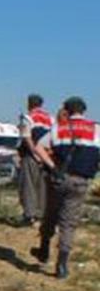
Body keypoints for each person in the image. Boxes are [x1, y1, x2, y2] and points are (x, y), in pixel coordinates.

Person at [31, 97, 100, 279]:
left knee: (50, 214)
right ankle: (61, 265)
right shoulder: (96, 129)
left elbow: (38, 147)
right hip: (81, 181)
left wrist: (52, 166)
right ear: (84, 110)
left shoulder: (58, 127)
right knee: (68, 223)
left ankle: (44, 249)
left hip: (58, 179)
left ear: (67, 111)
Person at [18, 94, 53, 226]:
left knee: (28, 186)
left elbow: (27, 137)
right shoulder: (50, 118)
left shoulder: (27, 117)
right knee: (43, 187)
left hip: (31, 155)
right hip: (47, 157)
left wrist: (35, 153)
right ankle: (41, 215)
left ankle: (29, 216)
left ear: (29, 104)